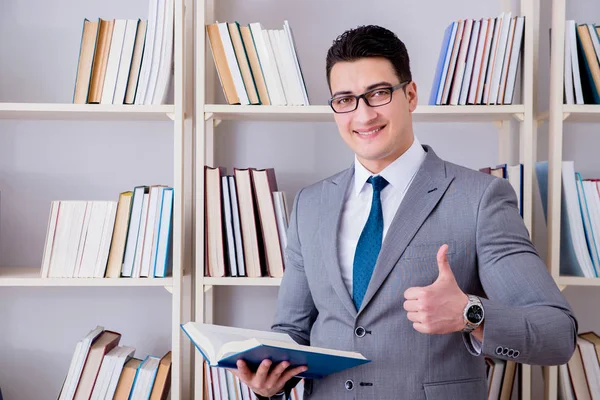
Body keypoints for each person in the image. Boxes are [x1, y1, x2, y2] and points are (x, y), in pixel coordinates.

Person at [232, 24, 578, 399]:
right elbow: (292, 333)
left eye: (378, 94)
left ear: (410, 95)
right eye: (345, 100)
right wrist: (268, 381)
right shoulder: (310, 205)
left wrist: (469, 313)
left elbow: (557, 335)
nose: (363, 116)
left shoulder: (480, 199)